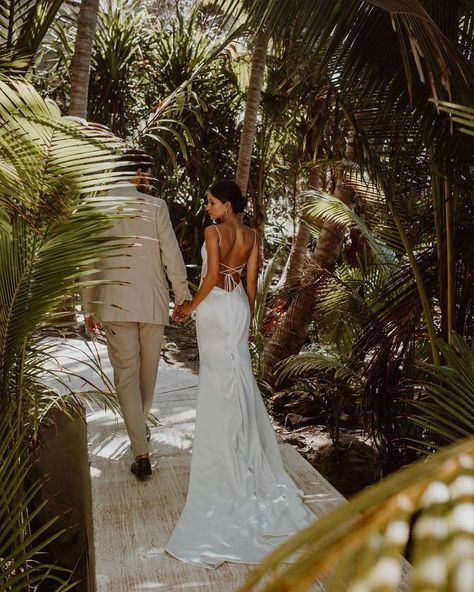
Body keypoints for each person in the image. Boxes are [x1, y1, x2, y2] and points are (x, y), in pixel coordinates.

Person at [166, 180, 314, 568]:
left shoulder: (214, 231)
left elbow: (211, 277)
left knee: (217, 379)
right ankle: (242, 443)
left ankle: (224, 451)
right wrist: (248, 319)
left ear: (227, 205)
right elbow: (249, 282)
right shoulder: (250, 235)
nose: (208, 207)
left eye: (212, 202)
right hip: (236, 309)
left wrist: (188, 309)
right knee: (238, 377)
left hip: (214, 308)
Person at [82, 150, 191, 480]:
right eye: (148, 172)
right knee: (147, 373)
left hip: (114, 303)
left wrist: (88, 305)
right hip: (152, 302)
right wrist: (181, 296)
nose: (149, 178)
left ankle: (140, 448)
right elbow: (171, 254)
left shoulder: (95, 207)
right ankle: (140, 439)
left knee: (126, 376)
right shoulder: (155, 206)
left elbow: (88, 264)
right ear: (138, 172)